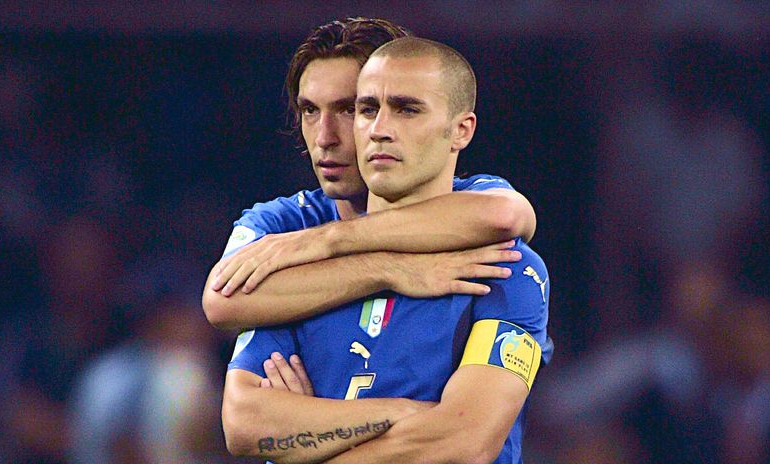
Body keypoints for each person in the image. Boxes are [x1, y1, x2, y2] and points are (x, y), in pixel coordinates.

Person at [222, 37, 551, 464]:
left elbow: (461, 444)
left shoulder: (506, 268)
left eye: (407, 109)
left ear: (461, 130)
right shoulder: (295, 271)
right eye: (366, 109)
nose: (378, 129)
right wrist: (401, 415)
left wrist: (312, 432)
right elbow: (245, 425)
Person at [201, 18, 537, 333]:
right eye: (310, 111)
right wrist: (386, 269)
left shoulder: (465, 199)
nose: (324, 138)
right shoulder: (284, 222)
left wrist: (322, 242)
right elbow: (221, 301)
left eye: (351, 109)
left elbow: (506, 214)